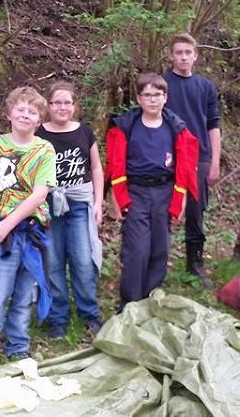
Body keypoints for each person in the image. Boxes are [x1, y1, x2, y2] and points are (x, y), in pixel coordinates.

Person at [0, 86, 56, 367]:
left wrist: (9, 223)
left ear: (39, 119)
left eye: (32, 111)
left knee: (24, 295)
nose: (25, 114)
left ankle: (18, 345)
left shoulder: (44, 150)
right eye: (20, 108)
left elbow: (40, 194)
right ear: (9, 113)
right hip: (0, 233)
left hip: (29, 231)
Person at [105, 73, 199, 310]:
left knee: (160, 249)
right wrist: (115, 198)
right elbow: (115, 165)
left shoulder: (175, 128)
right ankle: (129, 304)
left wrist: (182, 198)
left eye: (157, 95)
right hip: (135, 192)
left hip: (164, 192)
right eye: (147, 95)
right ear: (138, 98)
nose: (152, 100)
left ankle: (149, 301)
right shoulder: (127, 126)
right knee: (137, 251)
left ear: (165, 97)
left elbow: (185, 168)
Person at [35, 82, 104, 339]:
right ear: (48, 106)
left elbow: (96, 169)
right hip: (48, 205)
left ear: (74, 106)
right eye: (57, 102)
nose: (62, 107)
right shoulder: (39, 135)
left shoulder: (84, 132)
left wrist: (97, 203)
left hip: (78, 203)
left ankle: (89, 312)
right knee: (52, 263)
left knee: (83, 261)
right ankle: (58, 318)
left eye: (67, 102)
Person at [163, 33, 221, 286]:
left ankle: (194, 264)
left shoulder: (206, 87)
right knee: (163, 210)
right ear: (171, 55)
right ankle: (157, 263)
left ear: (195, 55)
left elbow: (213, 125)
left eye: (188, 52)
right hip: (166, 156)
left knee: (196, 212)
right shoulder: (161, 84)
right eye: (179, 52)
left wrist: (215, 160)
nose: (184, 57)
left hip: (199, 156)